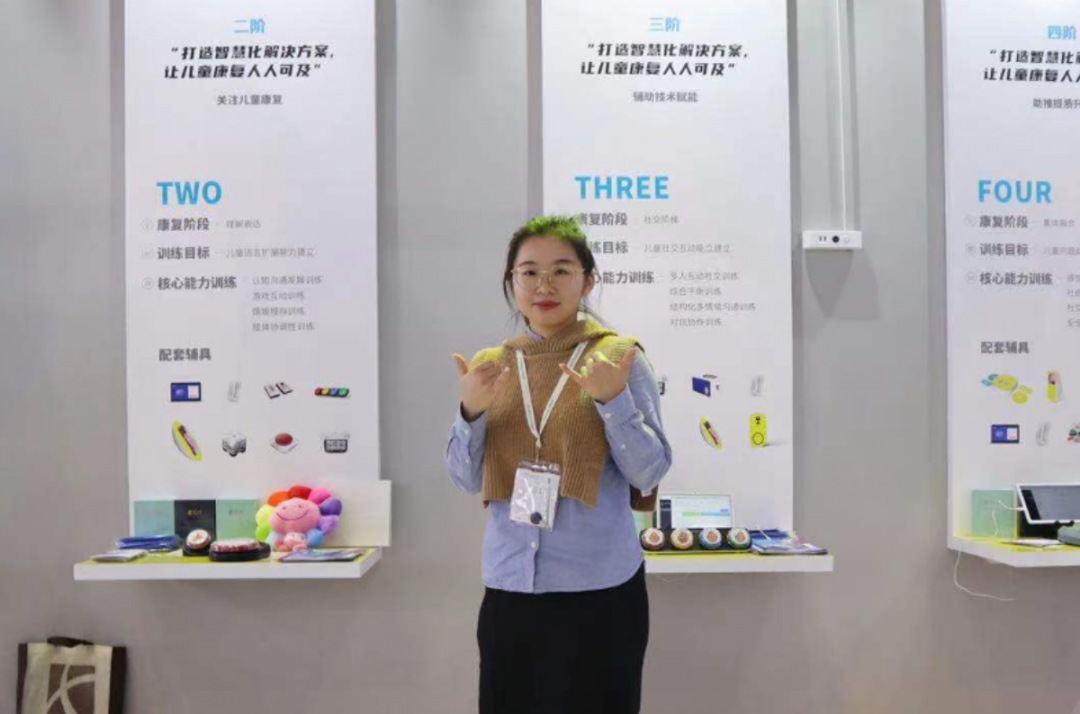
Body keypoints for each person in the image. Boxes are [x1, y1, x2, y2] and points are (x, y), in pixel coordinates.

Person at [445, 215, 673, 714]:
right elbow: (463, 477)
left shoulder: (618, 358)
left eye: (561, 271)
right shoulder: (492, 365)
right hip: (510, 587)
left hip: (599, 592)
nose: (543, 285)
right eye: (528, 272)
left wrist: (613, 403)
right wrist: (471, 412)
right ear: (512, 282)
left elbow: (650, 471)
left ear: (587, 280)